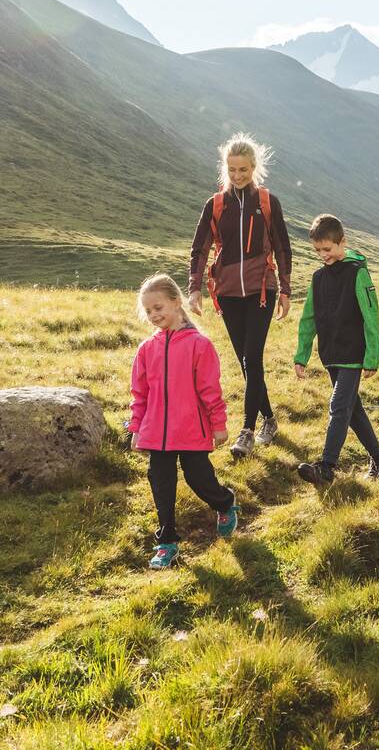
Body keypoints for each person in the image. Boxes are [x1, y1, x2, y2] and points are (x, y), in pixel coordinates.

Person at [188, 133, 292, 458]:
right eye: (232, 170)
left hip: (262, 289)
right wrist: (194, 289)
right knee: (247, 363)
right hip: (229, 292)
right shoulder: (216, 205)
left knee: (253, 357)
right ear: (225, 169)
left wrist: (286, 289)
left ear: (254, 167)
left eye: (243, 170)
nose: (237, 176)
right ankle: (270, 420)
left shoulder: (267, 202)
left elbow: (282, 246)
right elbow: (200, 247)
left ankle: (247, 430)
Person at [127, 273, 239, 569]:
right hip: (157, 434)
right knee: (161, 484)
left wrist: (218, 425)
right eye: (148, 310)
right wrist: (136, 428)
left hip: (191, 429)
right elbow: (140, 394)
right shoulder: (146, 349)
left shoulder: (199, 345)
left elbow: (210, 389)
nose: (153, 315)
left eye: (158, 307)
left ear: (177, 303)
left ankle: (225, 502)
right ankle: (167, 542)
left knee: (199, 479)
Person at [290, 214, 379, 486]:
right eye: (318, 250)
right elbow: (308, 318)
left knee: (338, 406)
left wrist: (372, 356)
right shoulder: (318, 278)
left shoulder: (357, 273)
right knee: (352, 410)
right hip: (331, 354)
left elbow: (371, 315)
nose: (323, 255)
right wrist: (302, 355)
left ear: (342, 243)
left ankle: (326, 467)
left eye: (328, 249)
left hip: (353, 353)